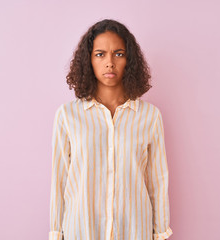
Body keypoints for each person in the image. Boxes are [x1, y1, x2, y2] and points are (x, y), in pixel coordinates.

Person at [49, 19, 172, 240]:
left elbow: (157, 180)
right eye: (100, 54)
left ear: (129, 60)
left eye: (118, 54)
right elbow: (59, 180)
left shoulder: (149, 116)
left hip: (134, 230)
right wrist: (56, 233)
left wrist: (160, 232)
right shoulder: (67, 116)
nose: (109, 63)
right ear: (88, 60)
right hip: (82, 230)